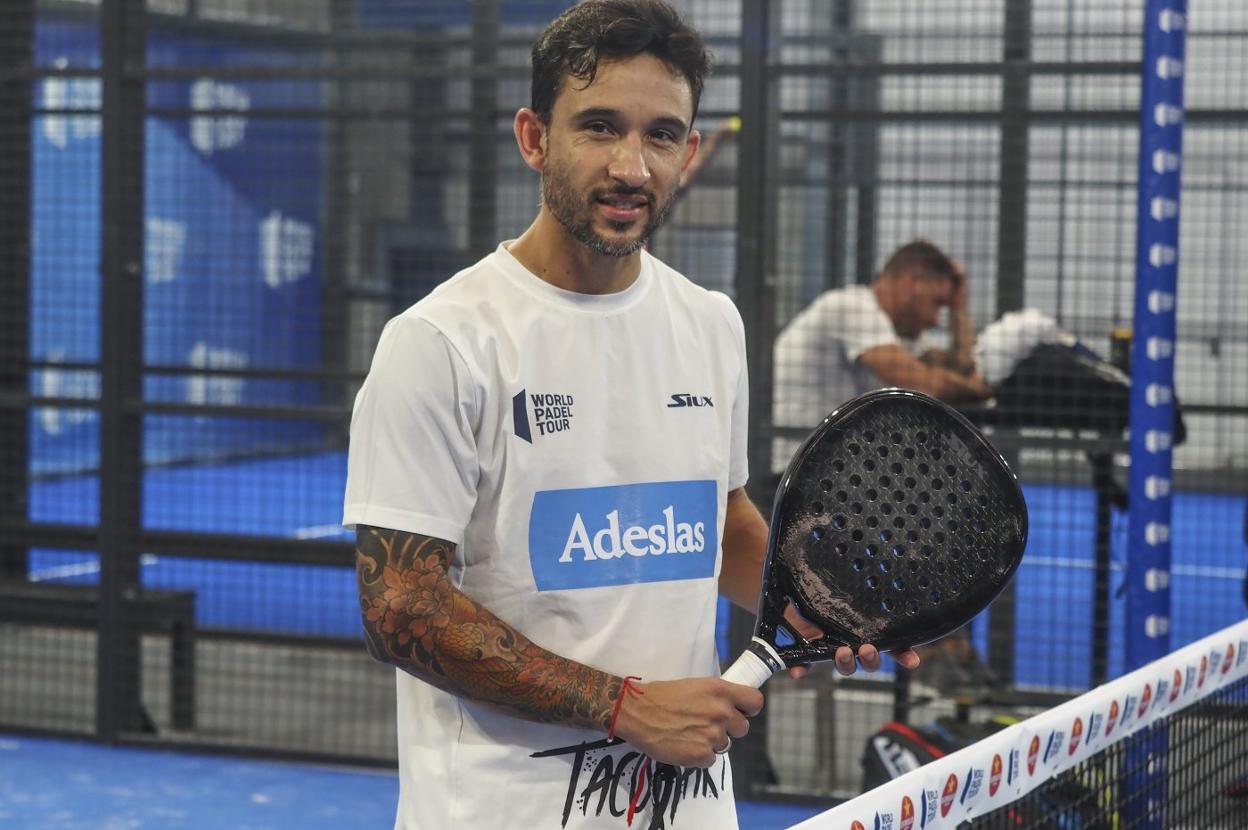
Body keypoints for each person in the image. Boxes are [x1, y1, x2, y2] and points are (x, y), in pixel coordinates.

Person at [342, 3, 918, 828]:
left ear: (687, 153)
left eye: (659, 136)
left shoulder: (712, 323)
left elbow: (719, 520)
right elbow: (400, 609)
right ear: (534, 138)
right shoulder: (440, 343)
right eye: (600, 127)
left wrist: (819, 601)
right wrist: (628, 708)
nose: (631, 166)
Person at [771, 241, 996, 694]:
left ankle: (944, 651)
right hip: (788, 486)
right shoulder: (849, 308)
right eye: (937, 303)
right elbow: (933, 382)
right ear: (911, 281)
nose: (936, 319)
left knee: (942, 510)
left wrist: (960, 309)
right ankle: (938, 651)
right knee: (932, 515)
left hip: (834, 487)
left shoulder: (883, 331)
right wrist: (969, 385)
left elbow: (966, 370)